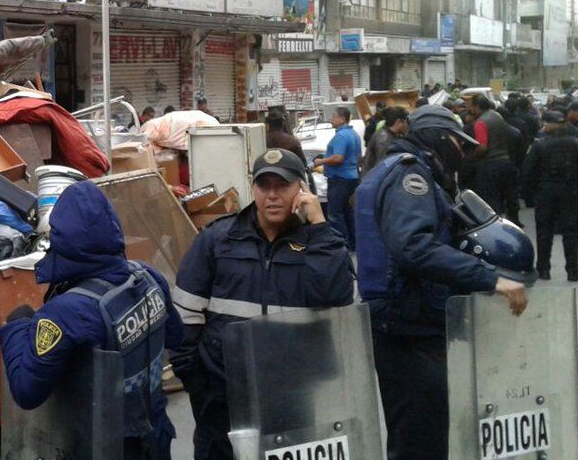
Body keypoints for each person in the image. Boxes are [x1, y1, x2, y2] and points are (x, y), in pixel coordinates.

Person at [353, 104, 529, 460]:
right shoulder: (411, 177)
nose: (461, 152)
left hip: (403, 321)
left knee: (419, 433)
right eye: (456, 142)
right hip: (407, 326)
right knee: (420, 441)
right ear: (437, 137)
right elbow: (414, 246)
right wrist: (489, 278)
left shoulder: (397, 168)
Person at [170, 149, 353, 460]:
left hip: (293, 394)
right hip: (222, 394)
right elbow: (184, 312)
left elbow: (337, 296)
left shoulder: (319, 242)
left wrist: (319, 225)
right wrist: (197, 382)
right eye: (263, 186)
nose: (272, 196)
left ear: (302, 190)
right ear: (252, 188)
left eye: (282, 186)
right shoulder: (218, 240)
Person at [0, 181, 181, 460]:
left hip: (102, 446)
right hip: (154, 435)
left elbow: (27, 391)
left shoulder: (67, 313)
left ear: (62, 239)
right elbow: (176, 338)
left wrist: (18, 326)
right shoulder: (147, 276)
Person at [521, 111, 578, 282]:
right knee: (571, 232)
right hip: (570, 191)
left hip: (546, 192)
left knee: (544, 231)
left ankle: (543, 269)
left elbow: (528, 172)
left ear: (550, 125)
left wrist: (532, 193)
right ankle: (573, 270)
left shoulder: (539, 145)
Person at [312, 107, 361, 249]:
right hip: (352, 177)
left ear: (342, 119)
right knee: (347, 212)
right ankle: (353, 243)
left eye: (334, 116)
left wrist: (321, 161)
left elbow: (338, 158)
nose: (331, 119)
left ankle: (341, 243)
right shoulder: (354, 134)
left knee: (334, 213)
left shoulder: (341, 136)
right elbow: (358, 158)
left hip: (340, 178)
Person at [462, 96, 516, 214]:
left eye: (471, 106)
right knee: (504, 196)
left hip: (489, 165)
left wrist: (473, 157)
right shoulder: (497, 116)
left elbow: (482, 147)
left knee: (491, 200)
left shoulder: (480, 122)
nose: (469, 109)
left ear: (477, 107)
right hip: (505, 162)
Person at [363, 106, 408, 173]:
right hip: (374, 180)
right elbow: (382, 167)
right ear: (399, 122)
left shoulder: (393, 134)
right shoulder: (384, 139)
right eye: (406, 122)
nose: (407, 125)